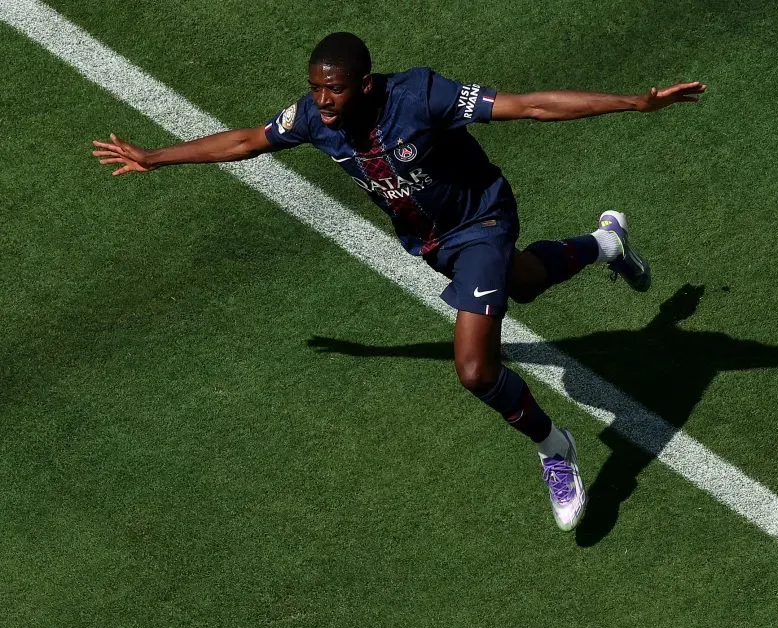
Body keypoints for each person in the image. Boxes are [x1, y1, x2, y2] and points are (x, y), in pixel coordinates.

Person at [92, 32, 706, 531]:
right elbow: (249, 139)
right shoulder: (314, 119)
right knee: (525, 280)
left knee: (475, 369)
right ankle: (607, 243)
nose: (322, 100)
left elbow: (529, 105)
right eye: (314, 88)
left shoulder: (422, 95)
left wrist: (634, 102)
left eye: (332, 90)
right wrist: (156, 156)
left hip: (482, 221)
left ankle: (555, 448)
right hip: (434, 243)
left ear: (363, 84)